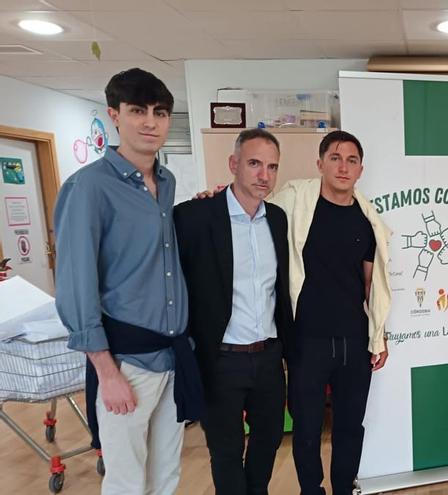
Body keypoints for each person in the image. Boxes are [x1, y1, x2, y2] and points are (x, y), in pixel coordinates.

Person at [54, 68, 203, 494]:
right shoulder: (88, 188)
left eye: (159, 112)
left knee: (166, 474)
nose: (150, 122)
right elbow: (76, 283)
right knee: (125, 480)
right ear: (114, 115)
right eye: (138, 111)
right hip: (127, 363)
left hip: (173, 356)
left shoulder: (168, 182)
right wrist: (106, 370)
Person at [174, 128, 294, 495]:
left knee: (269, 440)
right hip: (221, 359)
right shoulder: (194, 216)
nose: (264, 175)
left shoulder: (276, 218)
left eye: (272, 167)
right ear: (233, 164)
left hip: (268, 356)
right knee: (225, 451)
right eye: (254, 164)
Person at [271, 130, 391, 495]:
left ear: (360, 169)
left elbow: (373, 283)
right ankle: (312, 489)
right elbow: (254, 211)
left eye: (352, 160)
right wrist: (216, 197)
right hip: (307, 338)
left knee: (350, 425)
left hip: (354, 339)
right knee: (306, 426)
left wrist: (378, 335)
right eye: (335, 158)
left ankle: (343, 488)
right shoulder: (294, 202)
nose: (343, 166)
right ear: (320, 163)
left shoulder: (367, 220)